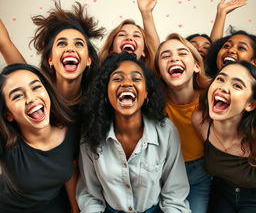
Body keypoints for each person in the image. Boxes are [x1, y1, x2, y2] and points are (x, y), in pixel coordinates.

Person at [77, 52, 191, 213]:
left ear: (146, 93)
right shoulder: (90, 135)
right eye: (117, 78)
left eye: (136, 78)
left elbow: (174, 196)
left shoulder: (166, 131)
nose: (127, 83)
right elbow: (90, 196)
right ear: (105, 92)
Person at [0, 63, 80, 213]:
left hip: (56, 206)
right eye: (17, 95)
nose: (30, 98)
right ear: (8, 114)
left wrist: (75, 208)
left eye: (36, 87)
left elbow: (71, 169)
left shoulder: (72, 129)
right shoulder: (5, 141)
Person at [0, 0, 105, 105]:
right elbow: (5, 43)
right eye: (62, 43)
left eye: (78, 44)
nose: (70, 48)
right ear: (50, 59)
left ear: (88, 60)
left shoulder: (98, 99)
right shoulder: (38, 94)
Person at [154, 33, 211, 213]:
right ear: (159, 72)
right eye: (166, 56)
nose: (174, 58)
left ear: (196, 65)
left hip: (200, 174)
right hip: (164, 174)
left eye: (182, 53)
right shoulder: (154, 104)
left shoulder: (210, 98)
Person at [192, 61, 256, 212]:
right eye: (220, 79)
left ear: (251, 105)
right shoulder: (200, 121)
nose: (223, 87)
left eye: (237, 86)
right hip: (221, 195)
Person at [98, 0, 160, 69]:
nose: (129, 38)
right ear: (111, 49)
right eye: (122, 34)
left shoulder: (150, 78)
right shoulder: (98, 75)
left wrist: (146, 13)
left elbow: (155, 51)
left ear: (144, 51)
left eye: (136, 35)